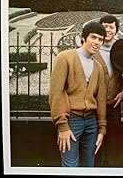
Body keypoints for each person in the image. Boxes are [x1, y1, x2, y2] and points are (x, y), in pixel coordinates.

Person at [49, 22, 107, 167]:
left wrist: (101, 128)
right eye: (93, 37)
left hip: (91, 122)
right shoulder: (65, 58)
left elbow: (100, 99)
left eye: (100, 39)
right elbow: (56, 92)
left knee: (89, 166)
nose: (97, 42)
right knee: (70, 166)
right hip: (72, 120)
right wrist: (62, 126)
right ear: (83, 38)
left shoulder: (98, 67)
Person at [94, 14, 123, 167]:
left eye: (111, 27)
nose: (108, 30)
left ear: (116, 30)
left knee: (113, 140)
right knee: (95, 140)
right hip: (95, 104)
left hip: (113, 104)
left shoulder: (120, 49)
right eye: (105, 26)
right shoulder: (94, 48)